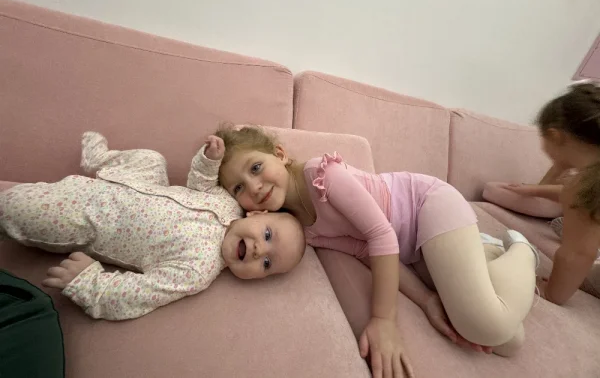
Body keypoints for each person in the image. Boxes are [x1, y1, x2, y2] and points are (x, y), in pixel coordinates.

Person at [212, 126, 539, 378]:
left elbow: (380, 234)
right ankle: (486, 250)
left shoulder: (322, 175)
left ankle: (523, 249)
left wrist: (384, 320)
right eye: (238, 188)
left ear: (280, 154)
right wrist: (426, 300)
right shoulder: (303, 231)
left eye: (255, 167)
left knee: (488, 325)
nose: (254, 186)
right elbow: (364, 251)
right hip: (416, 249)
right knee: (509, 341)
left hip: (428, 207)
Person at [0, 132, 305, 321]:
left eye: (267, 264)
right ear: (256, 214)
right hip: (137, 182)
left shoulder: (196, 271)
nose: (259, 250)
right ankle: (101, 160)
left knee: (13, 207)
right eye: (267, 235)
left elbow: (138, 294)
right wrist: (209, 161)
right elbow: (200, 183)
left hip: (92, 217)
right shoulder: (228, 203)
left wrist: (88, 281)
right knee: (152, 159)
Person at [501, 82, 600, 305]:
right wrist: (533, 190)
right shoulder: (586, 182)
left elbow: (578, 255)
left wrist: (552, 293)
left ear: (554, 136)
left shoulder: (585, 189)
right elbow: (570, 194)